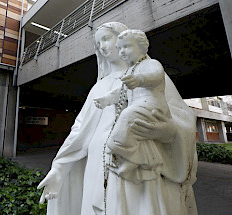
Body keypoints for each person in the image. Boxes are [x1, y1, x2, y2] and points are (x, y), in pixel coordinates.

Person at [37, 22, 198, 215]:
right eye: (98, 44)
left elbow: (181, 119)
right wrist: (59, 168)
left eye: (106, 39)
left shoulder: (148, 74)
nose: (103, 46)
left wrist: (166, 131)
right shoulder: (98, 87)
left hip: (140, 171)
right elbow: (79, 130)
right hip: (98, 166)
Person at [93, 29, 170, 184]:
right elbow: (121, 90)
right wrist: (107, 99)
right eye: (119, 48)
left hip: (153, 107)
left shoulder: (150, 64)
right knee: (125, 129)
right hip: (138, 110)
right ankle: (132, 162)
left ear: (141, 47)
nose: (121, 51)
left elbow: (156, 76)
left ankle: (132, 158)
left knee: (126, 117)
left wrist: (140, 79)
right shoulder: (130, 70)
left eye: (126, 47)